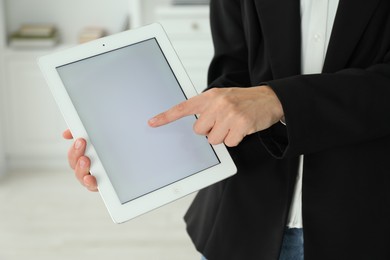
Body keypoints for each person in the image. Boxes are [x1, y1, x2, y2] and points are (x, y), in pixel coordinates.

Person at [64, 0, 390, 259]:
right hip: (242, 223)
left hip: (367, 225)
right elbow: (232, 72)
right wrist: (138, 140)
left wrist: (279, 100)